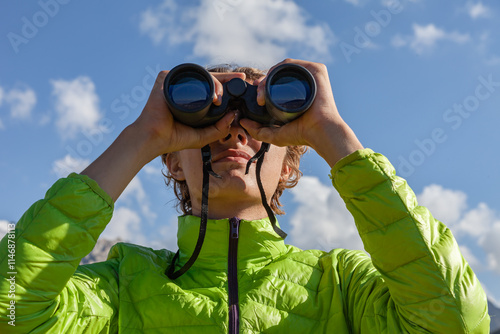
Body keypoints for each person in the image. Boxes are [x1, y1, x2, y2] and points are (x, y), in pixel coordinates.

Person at [0, 59, 490, 333]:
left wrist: (336, 137)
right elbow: (10, 309)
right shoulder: (125, 284)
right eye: (206, 126)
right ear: (173, 160)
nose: (233, 136)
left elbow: (456, 322)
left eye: (258, 128)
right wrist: (139, 140)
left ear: (290, 165)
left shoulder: (340, 286)